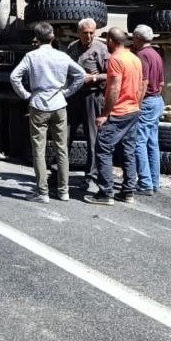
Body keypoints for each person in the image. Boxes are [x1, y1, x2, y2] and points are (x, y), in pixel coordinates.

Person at [10, 22, 86, 203]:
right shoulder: (62, 56)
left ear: (37, 38)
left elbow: (14, 77)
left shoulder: (31, 56)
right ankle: (63, 191)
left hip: (38, 104)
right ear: (52, 37)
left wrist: (26, 94)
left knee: (39, 149)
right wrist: (67, 92)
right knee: (62, 149)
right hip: (59, 104)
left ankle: (42, 192)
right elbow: (81, 75)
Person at [86, 27, 143, 206]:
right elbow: (142, 85)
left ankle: (106, 193)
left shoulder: (115, 59)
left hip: (118, 113)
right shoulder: (134, 58)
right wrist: (136, 104)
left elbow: (114, 88)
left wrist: (105, 114)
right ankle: (127, 192)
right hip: (133, 111)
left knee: (103, 150)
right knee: (128, 151)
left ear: (110, 40)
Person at [65, 18, 109, 187]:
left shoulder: (101, 49)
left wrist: (94, 77)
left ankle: (89, 176)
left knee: (93, 139)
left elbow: (111, 74)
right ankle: (60, 173)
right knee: (65, 135)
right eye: (85, 33)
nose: (89, 36)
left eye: (92, 32)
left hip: (93, 96)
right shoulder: (72, 48)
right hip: (74, 96)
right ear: (79, 33)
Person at [132, 24, 165, 195]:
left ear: (138, 38)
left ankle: (145, 183)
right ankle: (154, 181)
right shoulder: (156, 54)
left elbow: (143, 82)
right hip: (158, 100)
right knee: (152, 143)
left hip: (147, 101)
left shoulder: (142, 55)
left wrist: (137, 104)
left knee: (139, 142)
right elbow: (161, 82)